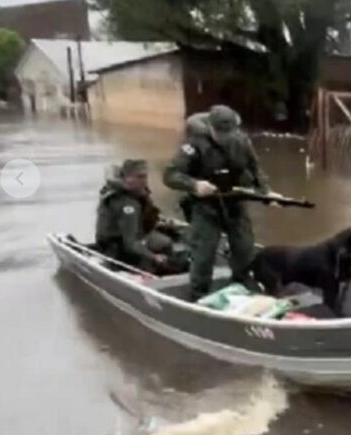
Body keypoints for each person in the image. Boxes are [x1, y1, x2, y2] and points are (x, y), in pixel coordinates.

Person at [163, 105, 275, 300]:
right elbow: (170, 175)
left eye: (228, 133)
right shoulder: (194, 144)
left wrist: (267, 193)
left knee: (245, 248)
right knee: (204, 254)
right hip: (206, 207)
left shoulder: (241, 141)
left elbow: (255, 169)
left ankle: (241, 285)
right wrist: (194, 184)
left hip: (234, 202)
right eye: (220, 133)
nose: (224, 137)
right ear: (211, 128)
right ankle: (198, 295)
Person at [95, 159, 171, 272]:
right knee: (162, 245)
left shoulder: (137, 193)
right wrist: (153, 257)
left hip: (134, 235)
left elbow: (146, 215)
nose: (144, 181)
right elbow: (130, 244)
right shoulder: (126, 204)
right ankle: (150, 271)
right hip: (116, 247)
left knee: (165, 240)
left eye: (145, 176)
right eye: (139, 177)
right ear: (126, 178)